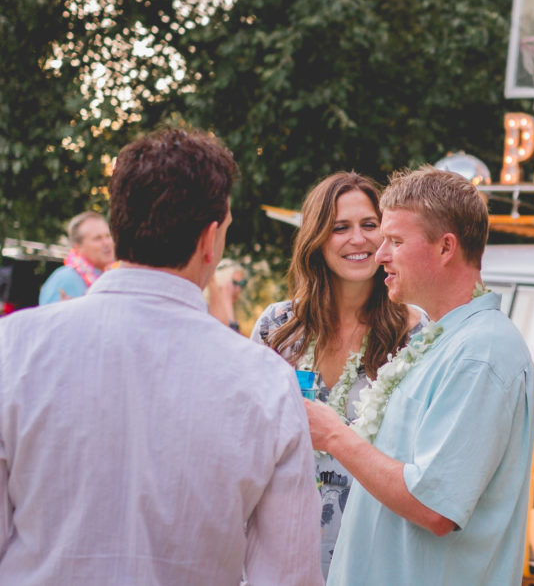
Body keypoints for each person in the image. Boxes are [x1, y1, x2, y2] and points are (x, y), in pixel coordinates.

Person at [0, 127, 322, 585]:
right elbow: (288, 575)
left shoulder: (12, 350)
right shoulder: (265, 380)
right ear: (211, 239)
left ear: (118, 226)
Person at [304, 166, 534, 586]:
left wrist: (335, 435)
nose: (380, 255)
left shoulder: (481, 354)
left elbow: (435, 507)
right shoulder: (438, 338)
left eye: (394, 241)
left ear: (446, 247)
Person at [250, 171, 423, 579]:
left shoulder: (415, 333)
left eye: (369, 225)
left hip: (371, 549)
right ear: (317, 239)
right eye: (340, 227)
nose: (358, 239)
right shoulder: (277, 327)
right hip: (284, 544)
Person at [37, 211, 115, 304]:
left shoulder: (112, 277)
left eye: (108, 236)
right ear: (77, 247)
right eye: (97, 238)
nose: (106, 243)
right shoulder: (65, 279)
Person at [206, 258, 246, 331]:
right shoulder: (205, 311)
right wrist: (226, 299)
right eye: (234, 283)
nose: (238, 289)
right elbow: (228, 334)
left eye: (241, 283)